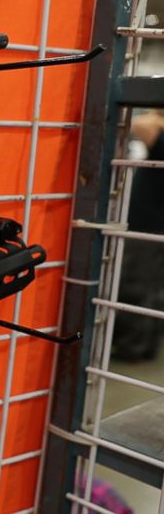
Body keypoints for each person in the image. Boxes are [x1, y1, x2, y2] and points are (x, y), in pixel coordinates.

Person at [111, 110, 164, 362]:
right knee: (153, 289)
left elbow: (141, 122)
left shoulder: (157, 132)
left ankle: (132, 347)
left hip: (149, 223)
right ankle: (144, 346)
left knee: (136, 286)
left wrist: (157, 110)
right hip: (153, 222)